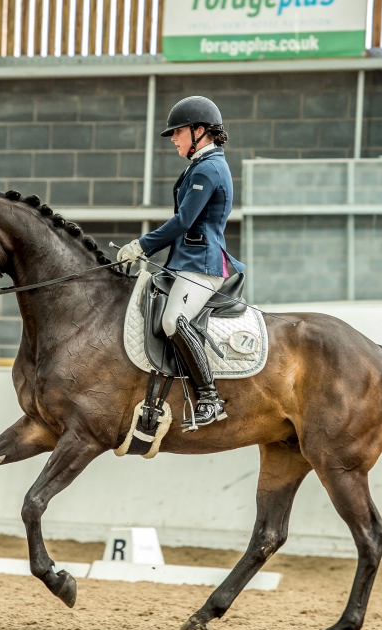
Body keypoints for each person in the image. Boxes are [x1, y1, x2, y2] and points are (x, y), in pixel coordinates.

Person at [117, 96, 246, 429]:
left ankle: (210, 398)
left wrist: (142, 246)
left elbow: (183, 221)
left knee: (173, 321)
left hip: (202, 265)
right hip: (187, 262)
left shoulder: (209, 168)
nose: (173, 138)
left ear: (199, 131)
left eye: (178, 131)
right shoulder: (201, 165)